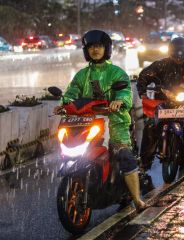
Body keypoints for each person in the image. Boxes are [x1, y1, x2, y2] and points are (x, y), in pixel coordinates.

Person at [53, 30, 147, 211]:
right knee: (73, 150)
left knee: (124, 156)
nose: (95, 50)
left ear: (106, 49)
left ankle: (137, 200)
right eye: (91, 47)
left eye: (99, 46)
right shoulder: (81, 75)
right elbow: (72, 93)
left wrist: (119, 101)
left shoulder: (116, 72)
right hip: (87, 122)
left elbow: (125, 91)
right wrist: (63, 104)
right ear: (86, 50)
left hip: (114, 123)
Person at [137, 37, 184, 172]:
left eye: (182, 53)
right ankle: (144, 163)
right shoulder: (161, 65)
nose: (179, 57)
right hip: (163, 103)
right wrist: (142, 91)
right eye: (176, 53)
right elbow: (144, 76)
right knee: (151, 127)